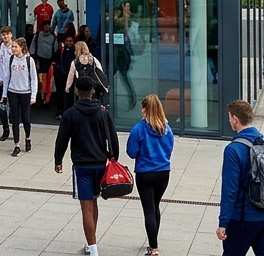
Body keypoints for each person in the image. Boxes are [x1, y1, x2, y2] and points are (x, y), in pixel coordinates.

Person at [53, 76, 119, 256]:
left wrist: (58, 160)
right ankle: (92, 242)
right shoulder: (103, 113)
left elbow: (62, 140)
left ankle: (93, 247)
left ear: (76, 92)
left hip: (81, 166)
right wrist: (113, 158)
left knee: (86, 207)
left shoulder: (70, 114)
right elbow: (113, 139)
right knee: (94, 203)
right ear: (93, 92)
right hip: (100, 163)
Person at [217, 100, 264, 256]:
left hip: (243, 219)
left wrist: (223, 222)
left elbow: (230, 190)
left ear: (234, 119)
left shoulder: (233, 149)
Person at [128, 94, 175, 256]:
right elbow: (169, 150)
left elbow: (131, 152)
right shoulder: (167, 129)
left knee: (148, 209)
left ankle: (154, 247)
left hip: (145, 173)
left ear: (145, 110)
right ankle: (153, 241)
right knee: (155, 206)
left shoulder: (139, 129)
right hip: (163, 172)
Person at [0, 37, 38, 157]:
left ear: (22, 47)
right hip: (13, 91)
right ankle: (16, 145)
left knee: (25, 118)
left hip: (25, 92)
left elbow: (33, 78)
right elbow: (6, 77)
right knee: (15, 119)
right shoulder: (11, 59)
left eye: (15, 47)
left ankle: (28, 138)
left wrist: (33, 95)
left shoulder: (28, 60)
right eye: (12, 47)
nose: (13, 49)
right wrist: (4, 95)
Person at [66, 41, 109, 108]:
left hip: (80, 87)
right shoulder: (93, 59)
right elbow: (100, 72)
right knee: (94, 106)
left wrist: (67, 88)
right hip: (93, 87)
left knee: (80, 107)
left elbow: (70, 76)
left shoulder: (75, 62)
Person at [29, 18, 58, 101]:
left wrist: (54, 61)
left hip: (49, 61)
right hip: (39, 60)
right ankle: (39, 97)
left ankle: (47, 98)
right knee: (39, 80)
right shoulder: (37, 35)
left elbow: (56, 49)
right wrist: (33, 58)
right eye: (45, 26)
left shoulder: (53, 37)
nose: (47, 28)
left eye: (48, 26)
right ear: (42, 27)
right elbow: (32, 47)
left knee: (49, 81)